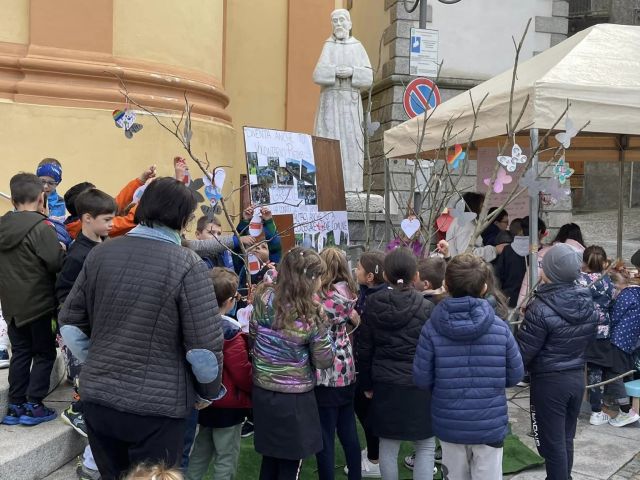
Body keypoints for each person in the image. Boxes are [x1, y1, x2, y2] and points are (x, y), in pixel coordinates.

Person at [59, 177, 224, 480]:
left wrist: (97, 359)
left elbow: (70, 324)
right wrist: (208, 392)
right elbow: (204, 350)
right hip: (156, 412)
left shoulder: (101, 253)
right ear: (185, 219)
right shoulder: (187, 264)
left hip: (101, 400)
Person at [413, 254, 524, 480]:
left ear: (446, 285)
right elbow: (515, 375)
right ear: (484, 288)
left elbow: (422, 378)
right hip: (489, 423)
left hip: (449, 422)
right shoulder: (500, 328)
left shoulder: (431, 328)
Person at [250, 247, 334, 480]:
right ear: (311, 279)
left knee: (270, 458)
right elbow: (324, 359)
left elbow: (253, 336)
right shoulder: (312, 313)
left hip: (264, 391)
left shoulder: (264, 297)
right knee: (289, 464)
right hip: (294, 398)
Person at [517, 243, 598, 480]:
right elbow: (589, 339)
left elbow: (523, 353)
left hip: (549, 382)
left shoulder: (540, 308)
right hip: (576, 377)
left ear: (551, 271)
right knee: (565, 438)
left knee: (551, 444)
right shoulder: (587, 301)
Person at [54, 188, 116, 480]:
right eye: (107, 219)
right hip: (80, 329)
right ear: (87, 219)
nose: (112, 224)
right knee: (87, 379)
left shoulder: (104, 246)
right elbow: (63, 294)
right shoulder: (79, 255)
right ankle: (78, 410)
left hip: (100, 327)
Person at [359, 248, 435, 480]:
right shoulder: (427, 307)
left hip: (386, 384)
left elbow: (365, 348)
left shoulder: (372, 303)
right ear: (416, 275)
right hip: (419, 384)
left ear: (386, 275)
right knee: (425, 445)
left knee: (388, 445)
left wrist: (366, 384)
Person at [0, 173, 64, 426]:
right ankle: (34, 404)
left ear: (13, 199)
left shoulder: (2, 226)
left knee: (20, 353)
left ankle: (15, 405)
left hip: (11, 306)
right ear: (40, 198)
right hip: (39, 305)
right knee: (44, 353)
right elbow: (54, 263)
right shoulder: (41, 227)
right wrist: (61, 250)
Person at [186, 268, 252, 480]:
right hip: (228, 404)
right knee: (226, 457)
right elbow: (241, 372)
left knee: (199, 453)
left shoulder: (193, 325)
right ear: (230, 301)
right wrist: (253, 386)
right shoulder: (231, 331)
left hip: (202, 400)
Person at [312, 8, 373, 193]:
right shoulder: (328, 46)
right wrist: (334, 72)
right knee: (330, 140)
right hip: (330, 103)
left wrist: (353, 72)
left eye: (342, 20)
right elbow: (317, 75)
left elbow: (369, 77)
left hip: (350, 103)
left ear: (350, 24)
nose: (338, 24)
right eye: (335, 21)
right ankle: (328, 185)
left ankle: (352, 186)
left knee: (352, 143)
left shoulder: (357, 46)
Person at [315, 248, 361, 480]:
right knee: (348, 430)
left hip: (325, 372)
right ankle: (355, 475)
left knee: (325, 435)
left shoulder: (320, 297)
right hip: (347, 367)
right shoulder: (350, 294)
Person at [351, 250, 386, 478]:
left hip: (371, 367)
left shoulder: (376, 300)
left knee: (367, 412)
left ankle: (375, 460)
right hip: (365, 364)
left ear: (370, 277)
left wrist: (358, 322)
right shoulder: (366, 293)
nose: (356, 270)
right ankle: (374, 452)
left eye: (359, 268)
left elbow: (372, 336)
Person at [576, 246, 617, 426]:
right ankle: (596, 411)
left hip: (579, 331)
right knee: (596, 373)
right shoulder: (608, 281)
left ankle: (573, 407)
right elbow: (612, 301)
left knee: (575, 369)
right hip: (601, 332)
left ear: (584, 261)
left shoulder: (578, 280)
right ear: (604, 262)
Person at [606, 268, 640, 427]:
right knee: (626, 373)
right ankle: (629, 407)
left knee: (614, 375)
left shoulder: (625, 296)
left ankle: (625, 411)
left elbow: (614, 317)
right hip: (632, 341)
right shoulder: (637, 294)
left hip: (619, 340)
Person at [495, 217, 547, 309]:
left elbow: (498, 275)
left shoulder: (507, 250)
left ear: (522, 230)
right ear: (539, 232)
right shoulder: (541, 252)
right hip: (534, 303)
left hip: (508, 300)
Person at [446, 192, 497, 262]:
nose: (483, 210)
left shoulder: (461, 221)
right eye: (482, 206)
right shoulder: (465, 224)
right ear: (474, 206)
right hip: (463, 267)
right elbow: (465, 254)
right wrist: (494, 250)